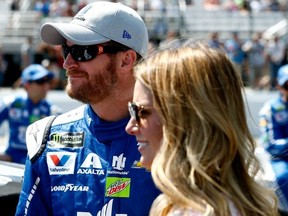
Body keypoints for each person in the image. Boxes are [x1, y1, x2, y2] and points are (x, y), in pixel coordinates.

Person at [16, 1, 160, 215]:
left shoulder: (174, 139)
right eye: (67, 50)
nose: (68, 63)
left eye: (84, 51)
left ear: (126, 60)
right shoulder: (47, 138)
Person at [126, 43, 279, 215]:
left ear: (188, 121)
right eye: (131, 110)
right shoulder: (244, 203)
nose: (130, 127)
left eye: (142, 112)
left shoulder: (192, 211)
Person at [0, 64, 61, 164]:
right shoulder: (11, 104)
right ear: (27, 85)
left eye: (47, 82)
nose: (46, 86)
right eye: (40, 82)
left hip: (38, 164)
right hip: (11, 160)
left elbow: (60, 144)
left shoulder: (53, 111)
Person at [259, 63, 288, 211]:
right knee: (283, 177)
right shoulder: (271, 108)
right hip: (280, 158)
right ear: (279, 86)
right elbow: (268, 143)